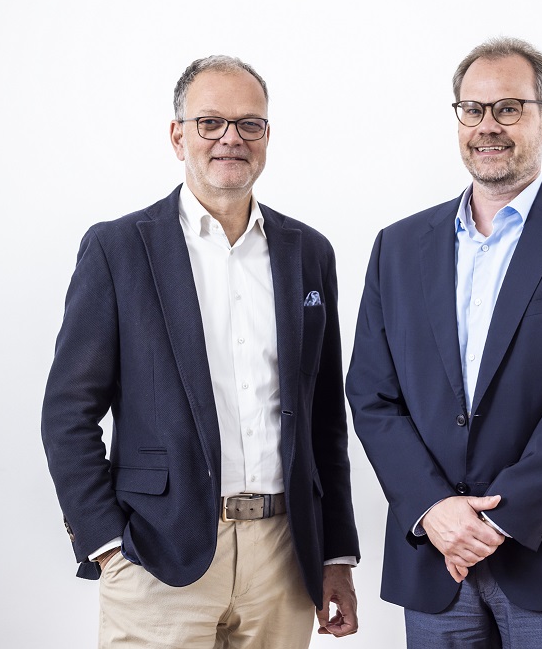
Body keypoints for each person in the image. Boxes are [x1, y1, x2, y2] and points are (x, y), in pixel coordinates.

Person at [346, 37, 542, 648]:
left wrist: (500, 517)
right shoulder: (398, 247)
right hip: (435, 556)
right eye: (473, 109)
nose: (487, 126)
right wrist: (432, 507)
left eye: (509, 109)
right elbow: (373, 395)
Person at [42, 55, 359, 649]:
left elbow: (324, 418)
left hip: (284, 556)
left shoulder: (308, 252)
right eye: (210, 122)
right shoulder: (118, 249)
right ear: (177, 135)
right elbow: (68, 411)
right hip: (158, 554)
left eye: (249, 124)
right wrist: (106, 543)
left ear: (267, 136)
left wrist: (335, 555)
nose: (231, 138)